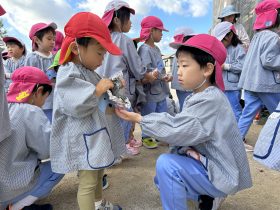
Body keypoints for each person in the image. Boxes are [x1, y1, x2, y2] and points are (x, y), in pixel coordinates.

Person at [115, 34, 252, 210]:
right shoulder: (201, 95)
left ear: (207, 69)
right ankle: (206, 198)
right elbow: (180, 123)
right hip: (210, 163)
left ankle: (210, 194)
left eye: (185, 66)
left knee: (167, 166)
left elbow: (178, 129)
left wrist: (140, 118)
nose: (178, 71)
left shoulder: (210, 100)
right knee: (162, 177)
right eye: (177, 65)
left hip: (220, 172)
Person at [50, 12, 126, 210]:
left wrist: (114, 86)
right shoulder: (68, 71)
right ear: (76, 48)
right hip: (83, 139)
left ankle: (99, 204)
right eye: (100, 53)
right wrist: (99, 89)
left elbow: (101, 97)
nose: (102, 59)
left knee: (99, 172)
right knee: (87, 182)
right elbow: (75, 103)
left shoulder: (89, 71)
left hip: (94, 136)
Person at [0, 66, 64, 210]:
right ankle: (18, 206)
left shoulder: (4, 106)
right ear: (39, 91)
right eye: (45, 98)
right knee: (62, 162)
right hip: (11, 188)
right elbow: (48, 150)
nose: (43, 103)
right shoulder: (29, 111)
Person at [98, 0, 153, 155]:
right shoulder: (124, 40)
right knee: (123, 120)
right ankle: (118, 152)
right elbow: (138, 70)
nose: (130, 23)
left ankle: (108, 153)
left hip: (101, 86)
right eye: (128, 20)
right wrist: (148, 75)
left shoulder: (101, 39)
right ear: (116, 20)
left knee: (106, 121)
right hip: (119, 88)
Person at [238, 0, 280, 149]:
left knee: (247, 113)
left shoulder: (257, 36)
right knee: (278, 112)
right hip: (266, 84)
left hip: (250, 83)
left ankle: (236, 142)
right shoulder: (273, 37)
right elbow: (269, 60)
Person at [137, 15, 172, 149]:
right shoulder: (144, 49)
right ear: (151, 31)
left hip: (160, 91)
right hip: (150, 92)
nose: (162, 34)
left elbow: (160, 68)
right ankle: (146, 137)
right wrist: (158, 76)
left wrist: (165, 76)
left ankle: (159, 136)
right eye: (160, 31)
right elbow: (144, 73)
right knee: (149, 116)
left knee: (161, 115)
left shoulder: (156, 49)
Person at [212, 22, 245, 123]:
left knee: (235, 110)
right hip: (221, 86)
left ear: (230, 35)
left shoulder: (238, 48)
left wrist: (226, 66)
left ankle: (240, 136)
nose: (220, 42)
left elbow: (243, 66)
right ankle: (229, 133)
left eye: (222, 40)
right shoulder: (219, 48)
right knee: (224, 111)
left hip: (232, 87)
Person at [24, 22, 57, 122]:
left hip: (55, 100)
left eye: (54, 39)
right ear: (37, 40)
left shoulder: (55, 57)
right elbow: (27, 80)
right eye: (49, 38)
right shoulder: (32, 57)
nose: (53, 42)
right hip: (40, 101)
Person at [170, 27, 194, 111]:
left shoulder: (178, 52)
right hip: (185, 86)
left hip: (181, 86)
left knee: (184, 107)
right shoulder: (186, 52)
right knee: (187, 109)